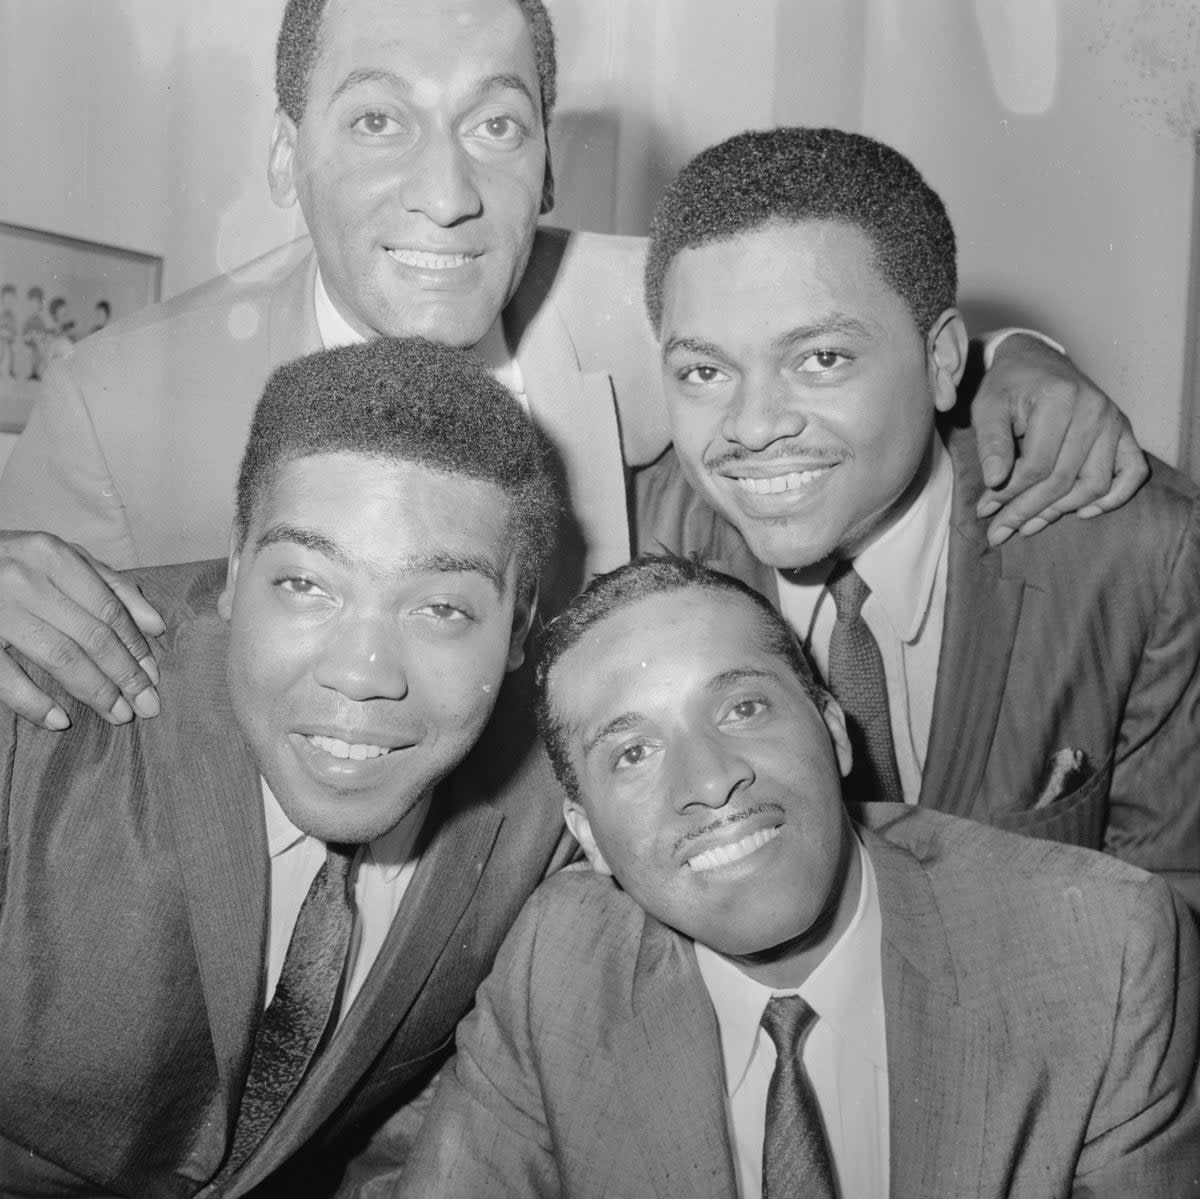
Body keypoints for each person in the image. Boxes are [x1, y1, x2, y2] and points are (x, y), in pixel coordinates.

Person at [0, 0, 1149, 738]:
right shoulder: (120, 403)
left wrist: (1014, 362)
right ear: (284, 153)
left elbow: (852, 343)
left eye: (496, 127)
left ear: (550, 163)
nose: (447, 194)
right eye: (378, 122)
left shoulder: (633, 306)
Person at [389, 555, 1200, 1199]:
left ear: (836, 733)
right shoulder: (555, 968)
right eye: (632, 753)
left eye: (742, 707)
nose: (709, 780)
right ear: (587, 836)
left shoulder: (1105, 952)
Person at [0, 336, 574, 1196]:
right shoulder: (34, 704)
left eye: (443, 606)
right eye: (308, 584)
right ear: (235, 569)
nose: (363, 671)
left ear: (521, 622)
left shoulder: (550, 807)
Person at [634, 128, 1200, 914]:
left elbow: (1171, 905)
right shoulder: (633, 545)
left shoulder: (1140, 554)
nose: (754, 425)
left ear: (942, 361)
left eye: (821, 359)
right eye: (704, 371)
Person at [0, 284, 17, 377]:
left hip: (9, 343)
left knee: (11, 352)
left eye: (11, 298)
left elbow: (13, 332)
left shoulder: (12, 316)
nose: (8, 301)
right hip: (2, 341)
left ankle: (10, 371)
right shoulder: (2, 315)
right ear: (2, 299)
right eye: (6, 298)